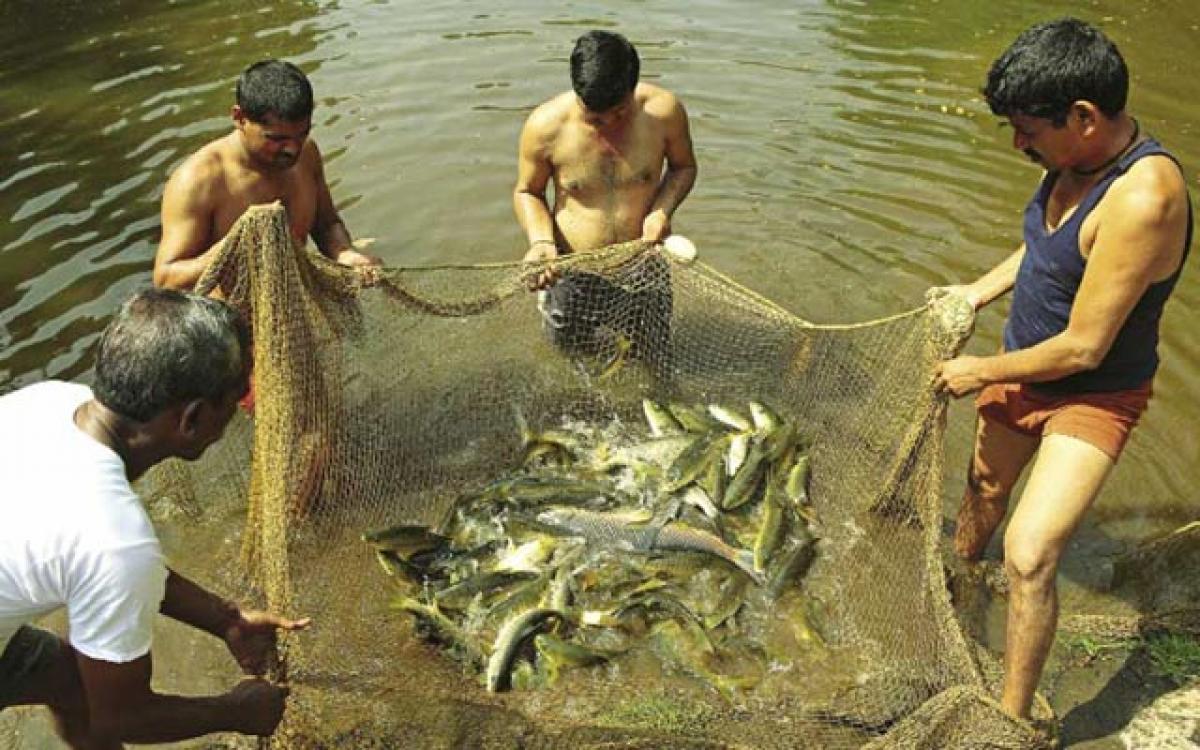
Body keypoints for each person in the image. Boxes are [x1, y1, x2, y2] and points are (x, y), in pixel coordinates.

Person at [930, 18, 1192, 720]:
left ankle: (1010, 719)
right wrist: (975, 293)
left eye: (1028, 129)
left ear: (1083, 117)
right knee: (983, 489)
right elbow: (1050, 254)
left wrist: (980, 369)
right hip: (1023, 364)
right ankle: (956, 589)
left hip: (1092, 395)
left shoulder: (1144, 197)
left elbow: (1084, 348)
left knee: (1031, 552)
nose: (1020, 144)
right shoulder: (1069, 162)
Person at [0, 289, 309, 747]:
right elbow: (123, 718)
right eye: (236, 397)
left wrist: (225, 619)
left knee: (69, 680)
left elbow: (98, 562)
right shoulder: (113, 539)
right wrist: (236, 711)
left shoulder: (54, 401)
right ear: (193, 418)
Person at [514, 30, 697, 361]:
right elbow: (528, 191)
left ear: (633, 87)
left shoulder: (664, 113)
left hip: (644, 264)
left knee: (654, 354)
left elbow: (683, 168)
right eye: (595, 118)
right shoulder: (544, 127)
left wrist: (661, 212)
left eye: (620, 112)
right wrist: (541, 242)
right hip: (572, 268)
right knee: (571, 356)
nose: (609, 125)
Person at [154, 59, 379, 292]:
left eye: (302, 134)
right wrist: (235, 248)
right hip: (229, 319)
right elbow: (166, 279)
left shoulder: (307, 153)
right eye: (276, 139)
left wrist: (344, 253)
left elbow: (326, 224)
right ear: (240, 118)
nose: (292, 149)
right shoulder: (198, 181)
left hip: (296, 301)